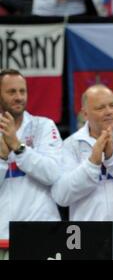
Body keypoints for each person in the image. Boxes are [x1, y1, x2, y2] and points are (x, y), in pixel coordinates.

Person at [0, 69, 62, 258]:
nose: (18, 97)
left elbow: (52, 174)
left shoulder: (44, 126)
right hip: (2, 237)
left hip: (41, 233)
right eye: (11, 92)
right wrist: (2, 159)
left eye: (22, 91)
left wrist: (18, 148)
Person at [51, 85, 113, 221]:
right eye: (100, 108)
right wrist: (92, 164)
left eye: (112, 105)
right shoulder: (71, 144)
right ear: (85, 114)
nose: (109, 111)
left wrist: (111, 158)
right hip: (88, 234)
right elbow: (62, 196)